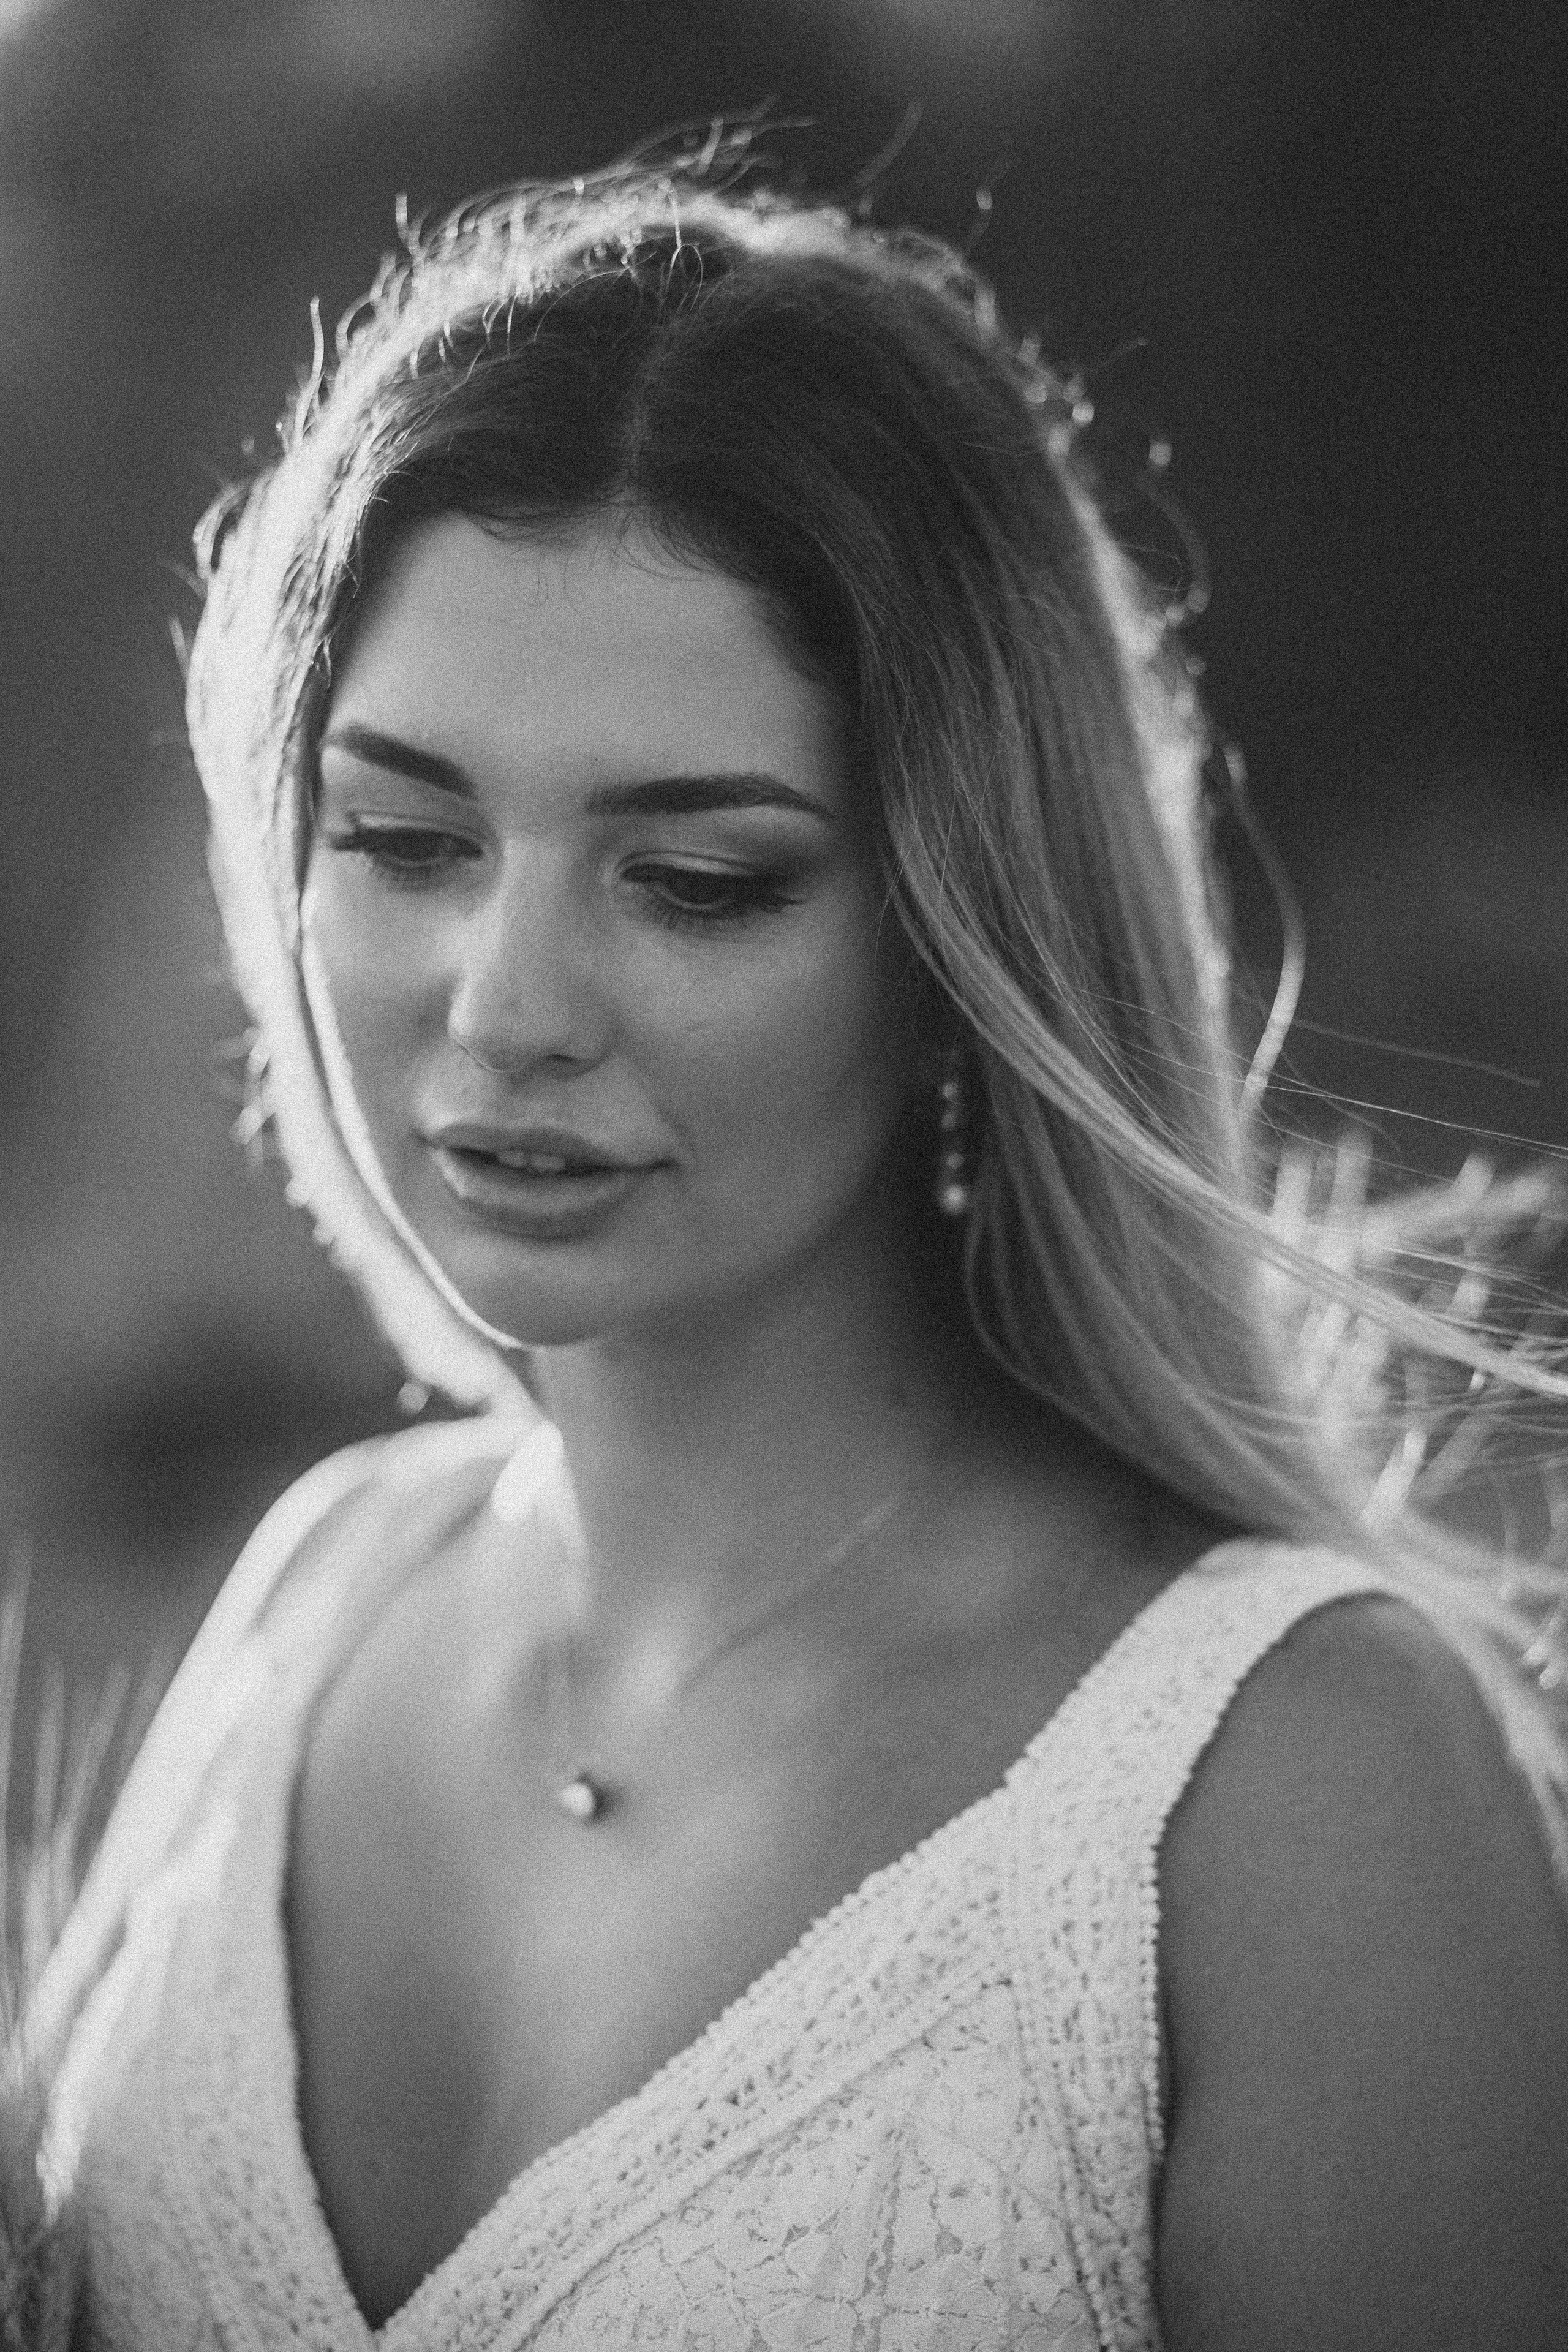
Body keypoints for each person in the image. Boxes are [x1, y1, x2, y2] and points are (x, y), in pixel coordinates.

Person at [34, 140, 1568, 2350]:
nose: (509, 1008)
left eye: (701, 878)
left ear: (966, 940)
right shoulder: (319, 1597)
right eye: (402, 836)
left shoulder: (1295, 1788)